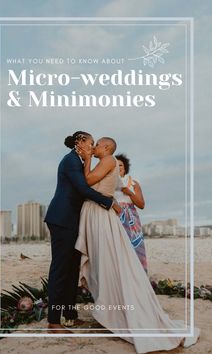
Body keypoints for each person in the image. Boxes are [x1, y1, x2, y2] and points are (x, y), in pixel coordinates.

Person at [75, 137, 200, 353]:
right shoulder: (104, 163)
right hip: (100, 214)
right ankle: (110, 310)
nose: (93, 147)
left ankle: (118, 312)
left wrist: (86, 159)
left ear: (106, 148)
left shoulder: (107, 160)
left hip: (104, 217)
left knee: (115, 263)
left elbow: (88, 182)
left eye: (97, 145)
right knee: (109, 264)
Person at [44, 131, 119, 333]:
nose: (93, 147)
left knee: (72, 270)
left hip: (74, 221)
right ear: (79, 142)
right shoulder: (70, 161)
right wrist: (109, 202)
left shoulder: (78, 161)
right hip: (62, 219)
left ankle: (69, 316)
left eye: (95, 144)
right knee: (60, 270)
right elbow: (83, 188)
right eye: (91, 142)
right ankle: (53, 322)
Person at [114, 154, 147, 273]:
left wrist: (129, 192)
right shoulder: (108, 182)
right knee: (118, 249)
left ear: (125, 166)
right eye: (115, 165)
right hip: (114, 217)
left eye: (121, 165)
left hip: (131, 218)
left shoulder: (133, 183)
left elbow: (141, 205)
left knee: (135, 248)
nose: (118, 167)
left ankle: (138, 276)